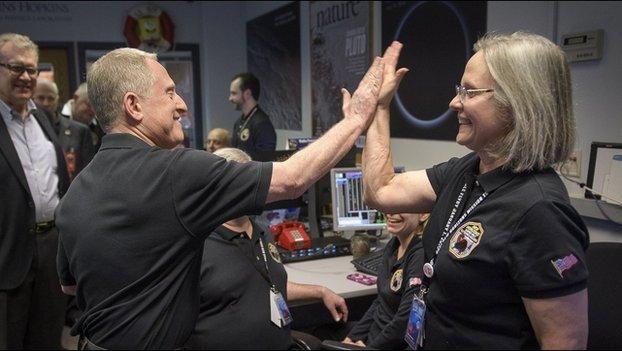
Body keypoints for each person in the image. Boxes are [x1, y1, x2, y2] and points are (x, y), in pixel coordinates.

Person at [56, 47, 384, 349]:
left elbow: (70, 288)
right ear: (134, 105)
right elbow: (292, 179)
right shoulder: (175, 172)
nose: (181, 104)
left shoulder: (74, 195)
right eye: (169, 92)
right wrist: (356, 119)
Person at [362, 35, 589, 349]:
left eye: (469, 91)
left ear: (517, 101)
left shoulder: (540, 209)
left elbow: (566, 342)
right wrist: (381, 107)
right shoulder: (468, 170)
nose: (455, 102)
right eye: (459, 90)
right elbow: (381, 191)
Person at [186, 147, 347, 349]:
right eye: (236, 183)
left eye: (249, 182)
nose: (244, 190)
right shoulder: (197, 243)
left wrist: (320, 291)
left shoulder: (262, 232)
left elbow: (265, 286)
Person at [0, 32, 70, 349]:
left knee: (46, 340)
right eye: (16, 68)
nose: (26, 77)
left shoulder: (42, 119)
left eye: (32, 69)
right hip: (8, 259)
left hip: (49, 255)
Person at [342, 212, 429, 349]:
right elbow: (380, 301)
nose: (391, 212)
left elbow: (405, 321)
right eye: (390, 206)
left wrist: (370, 348)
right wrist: (352, 337)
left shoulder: (420, 255)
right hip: (374, 336)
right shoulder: (393, 245)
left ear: (423, 214)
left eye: (401, 206)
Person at [34, 79, 96, 180]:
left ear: (57, 100)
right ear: (32, 99)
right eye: (41, 98)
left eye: (51, 99)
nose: (46, 103)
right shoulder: (26, 130)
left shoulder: (80, 131)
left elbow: (89, 173)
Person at [229, 72, 276, 160]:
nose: (230, 98)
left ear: (247, 94)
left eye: (234, 93)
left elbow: (266, 160)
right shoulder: (239, 122)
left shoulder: (262, 123)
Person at [61, 83, 105, 151]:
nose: (93, 111)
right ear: (76, 98)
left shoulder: (101, 127)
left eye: (96, 107)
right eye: (89, 105)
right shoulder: (57, 119)